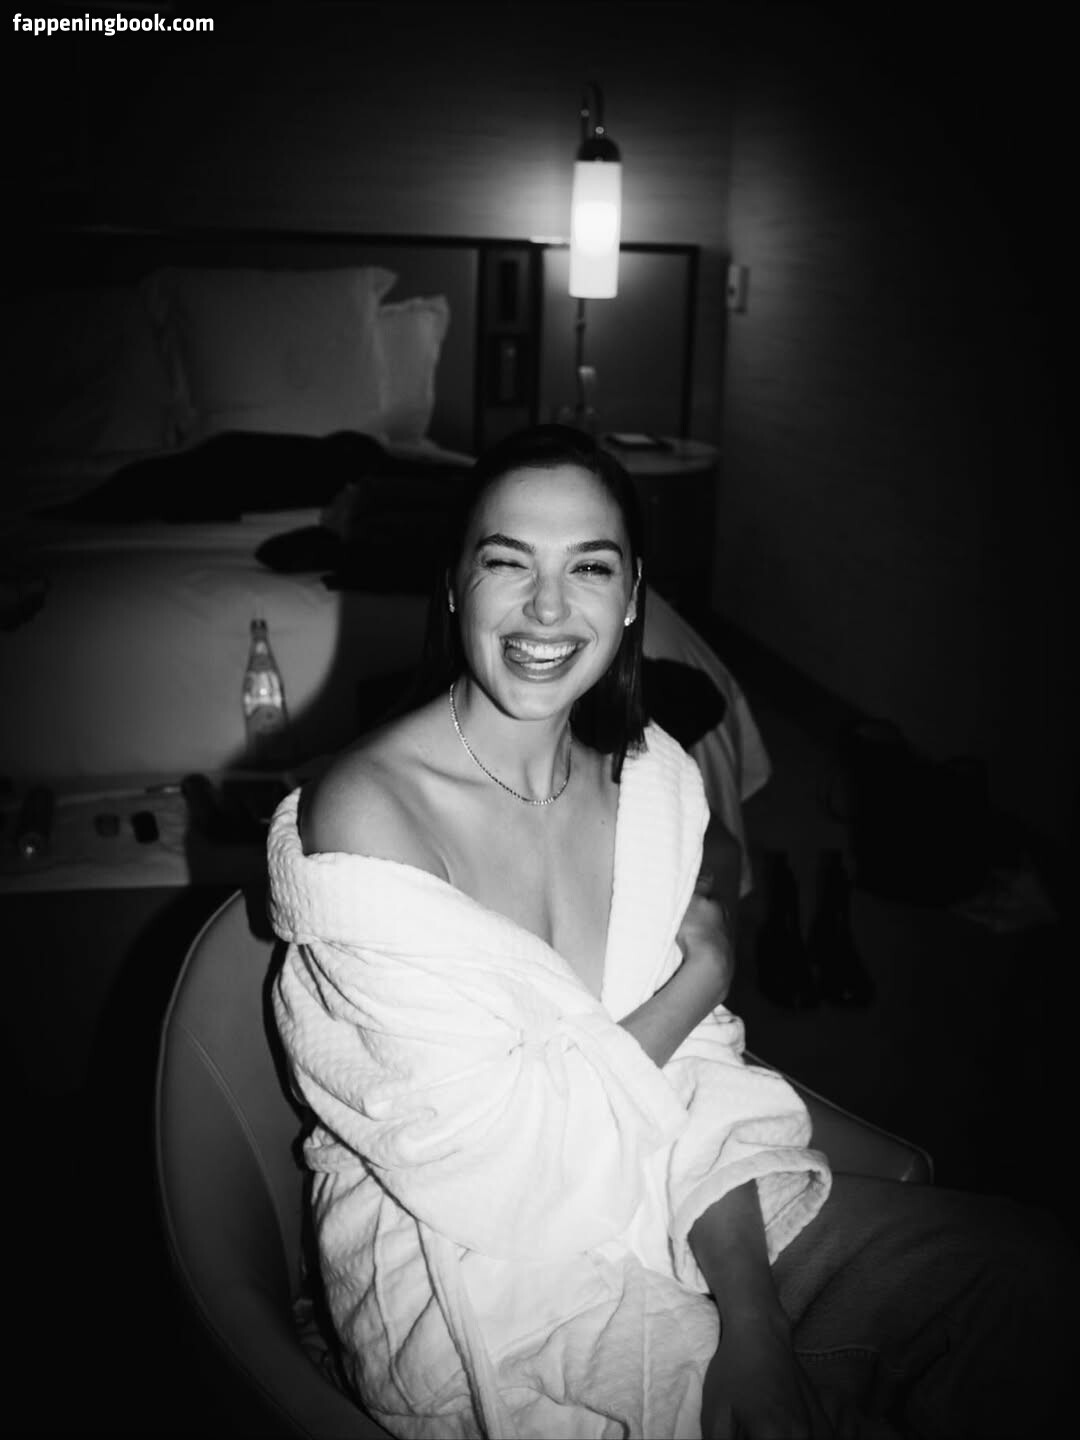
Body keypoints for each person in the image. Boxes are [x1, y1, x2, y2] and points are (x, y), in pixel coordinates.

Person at [268, 424, 1075, 1439]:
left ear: (633, 595)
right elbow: (503, 1179)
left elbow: (693, 1084)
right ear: (454, 586)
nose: (548, 609)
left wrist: (754, 1327)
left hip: (679, 1195)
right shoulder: (370, 816)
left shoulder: (649, 782)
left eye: (589, 567)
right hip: (486, 1279)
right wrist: (701, 979)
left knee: (1025, 1276)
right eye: (508, 563)